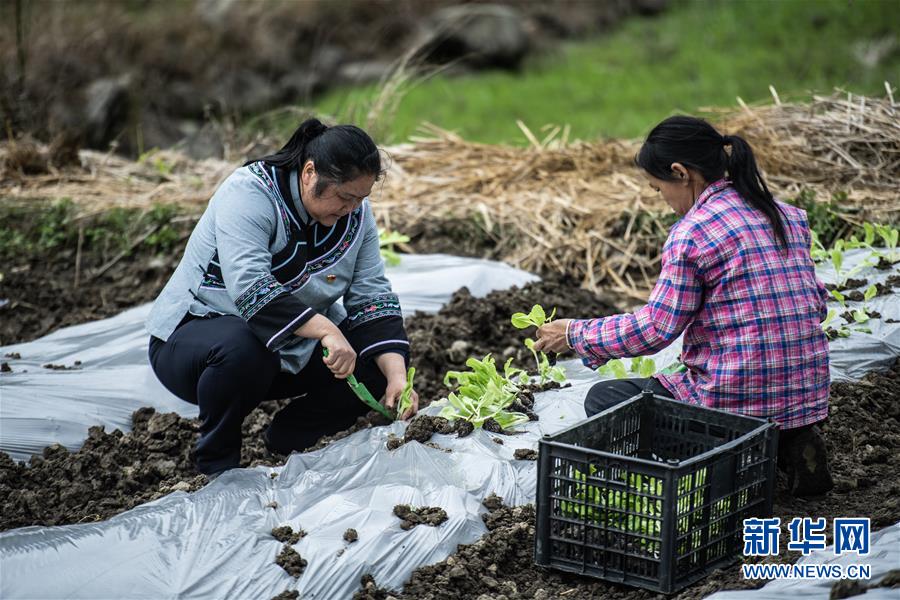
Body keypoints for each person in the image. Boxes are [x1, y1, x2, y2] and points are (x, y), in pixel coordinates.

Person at [534, 115, 833, 497]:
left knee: (607, 398)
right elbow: (817, 304)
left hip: (736, 401)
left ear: (680, 172)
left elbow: (654, 330)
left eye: (658, 189)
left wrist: (575, 333)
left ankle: (726, 459)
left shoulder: (693, 232)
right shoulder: (786, 215)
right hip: (805, 394)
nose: (664, 202)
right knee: (706, 374)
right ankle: (793, 440)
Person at [146, 118, 418, 477]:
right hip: (196, 344)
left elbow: (371, 293)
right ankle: (216, 463)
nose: (352, 209)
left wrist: (397, 376)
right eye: (345, 197)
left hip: (285, 349)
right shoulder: (248, 194)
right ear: (309, 173)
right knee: (242, 348)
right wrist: (325, 329)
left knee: (376, 363)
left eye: (361, 199)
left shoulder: (355, 216)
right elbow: (250, 288)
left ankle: (289, 438)